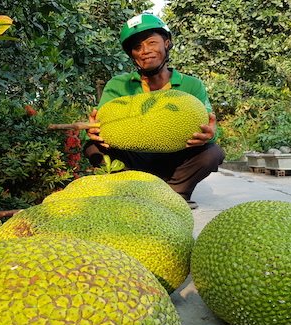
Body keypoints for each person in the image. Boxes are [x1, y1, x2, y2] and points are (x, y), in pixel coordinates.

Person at [83, 13, 225, 209]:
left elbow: (210, 125)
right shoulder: (117, 85)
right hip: (133, 160)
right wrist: (95, 129)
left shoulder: (192, 85)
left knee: (212, 152)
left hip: (175, 160)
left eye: (151, 42)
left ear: (166, 43)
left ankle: (177, 193)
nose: (145, 51)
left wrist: (209, 133)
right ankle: (129, 190)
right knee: (93, 146)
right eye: (137, 47)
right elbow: (103, 122)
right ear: (131, 54)